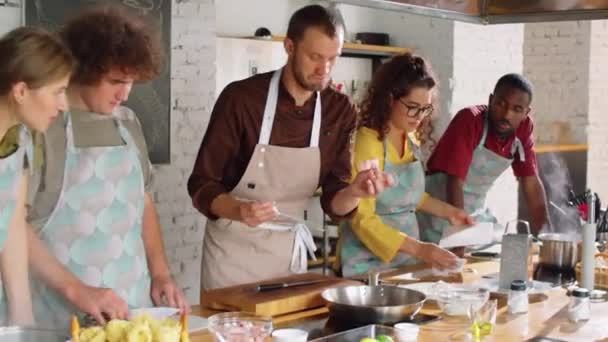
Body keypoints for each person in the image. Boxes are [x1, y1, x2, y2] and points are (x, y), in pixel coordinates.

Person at [188, 4, 393, 290]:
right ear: (289, 47)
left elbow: (334, 199)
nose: (325, 70)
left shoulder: (340, 110)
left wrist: (355, 192)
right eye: (315, 57)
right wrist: (240, 211)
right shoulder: (242, 99)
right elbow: (202, 184)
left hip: (288, 257)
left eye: (334, 59)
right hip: (232, 256)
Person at [27, 8, 188, 328]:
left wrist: (160, 274)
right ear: (84, 69)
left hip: (130, 310)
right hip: (57, 317)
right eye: (115, 81)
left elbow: (142, 201)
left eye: (130, 82)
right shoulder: (40, 127)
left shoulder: (128, 123)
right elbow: (12, 228)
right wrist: (79, 291)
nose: (125, 93)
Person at [337, 54, 474, 277]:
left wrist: (450, 212)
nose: (419, 116)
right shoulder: (368, 143)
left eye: (425, 109)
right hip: (366, 267)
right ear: (390, 99)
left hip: (406, 263)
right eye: (412, 107)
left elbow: (411, 196)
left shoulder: (411, 138)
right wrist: (421, 249)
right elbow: (362, 219)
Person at [418, 73, 549, 248]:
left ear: (526, 113)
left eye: (517, 109)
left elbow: (530, 182)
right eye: (501, 104)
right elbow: (454, 182)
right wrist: (459, 240)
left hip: (473, 215)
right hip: (439, 212)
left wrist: (548, 236)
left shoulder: (523, 129)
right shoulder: (470, 120)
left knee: (500, 250)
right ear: (491, 100)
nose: (507, 114)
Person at [0, 26, 73, 325]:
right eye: (58, 91)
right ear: (20, 91)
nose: (64, 105)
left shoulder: (17, 140)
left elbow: (12, 225)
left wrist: (22, 318)